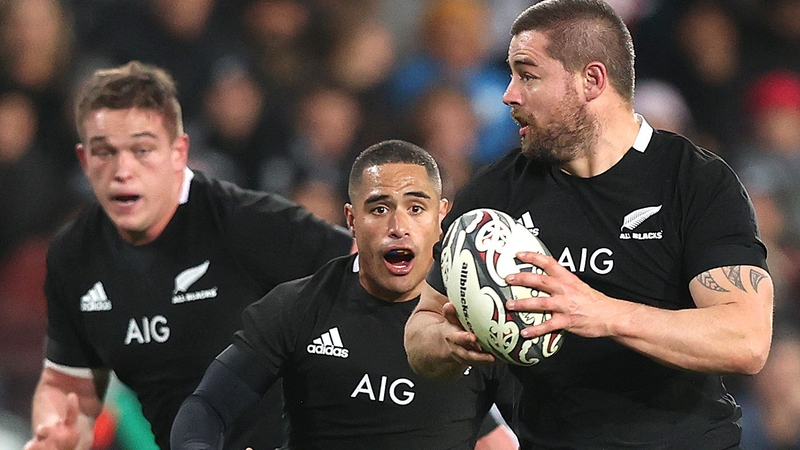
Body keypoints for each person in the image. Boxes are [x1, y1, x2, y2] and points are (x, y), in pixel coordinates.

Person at [403, 1, 774, 449]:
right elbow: (419, 329)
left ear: (592, 80)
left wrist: (602, 313)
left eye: (528, 74)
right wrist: (448, 340)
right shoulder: (494, 193)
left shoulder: (694, 181)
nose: (508, 94)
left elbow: (746, 339)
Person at [24, 61, 354, 450]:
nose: (122, 169)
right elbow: (68, 386)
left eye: (142, 149)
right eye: (104, 153)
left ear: (178, 152)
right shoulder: (74, 255)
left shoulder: (244, 223)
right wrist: (56, 431)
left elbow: (365, 270)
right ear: (83, 161)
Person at [170, 140, 520, 449]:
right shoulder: (298, 306)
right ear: (351, 219)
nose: (398, 228)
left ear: (441, 215)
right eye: (379, 209)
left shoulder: (482, 318)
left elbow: (541, 428)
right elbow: (207, 407)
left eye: (415, 209)